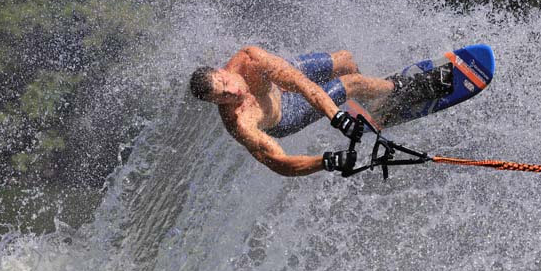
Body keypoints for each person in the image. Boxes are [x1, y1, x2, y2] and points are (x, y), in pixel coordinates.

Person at [189, 46, 451, 176]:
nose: (232, 93)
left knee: (345, 60)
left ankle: (372, 100)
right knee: (353, 83)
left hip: (288, 83)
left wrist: (337, 117)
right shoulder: (241, 123)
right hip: (287, 113)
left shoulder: (250, 59)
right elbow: (280, 164)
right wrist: (327, 161)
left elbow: (301, 84)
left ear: (223, 70)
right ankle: (402, 90)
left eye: (226, 84)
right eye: (222, 97)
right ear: (216, 103)